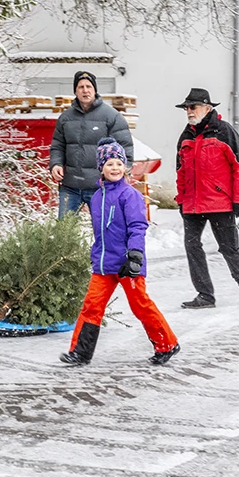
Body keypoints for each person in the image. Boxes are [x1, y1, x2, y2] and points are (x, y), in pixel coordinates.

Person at [60, 138, 180, 366]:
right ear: (101, 168)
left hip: (128, 263)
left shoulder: (129, 195)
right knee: (91, 306)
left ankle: (167, 344)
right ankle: (80, 352)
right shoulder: (96, 198)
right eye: (109, 164)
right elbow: (100, 233)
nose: (114, 168)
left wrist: (135, 255)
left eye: (118, 164)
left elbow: (137, 226)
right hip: (104, 265)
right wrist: (96, 255)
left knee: (140, 305)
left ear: (125, 167)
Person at [174, 88, 239, 309]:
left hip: (220, 202)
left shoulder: (224, 132)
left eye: (193, 107)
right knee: (192, 247)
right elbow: (180, 170)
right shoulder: (186, 136)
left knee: (228, 248)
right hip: (192, 203)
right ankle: (205, 295)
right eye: (187, 108)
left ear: (207, 108)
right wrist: (181, 199)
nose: (189, 111)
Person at [49, 71, 133, 218]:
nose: (85, 90)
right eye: (81, 87)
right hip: (70, 186)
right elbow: (58, 145)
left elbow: (125, 147)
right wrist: (55, 164)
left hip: (100, 186)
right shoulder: (65, 118)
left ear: (95, 90)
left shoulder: (111, 116)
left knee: (104, 230)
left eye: (89, 86)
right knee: (64, 233)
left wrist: (123, 175)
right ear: (75, 91)